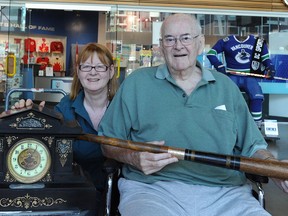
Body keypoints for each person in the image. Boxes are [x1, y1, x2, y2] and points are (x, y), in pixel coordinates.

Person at [98, 13, 288, 216]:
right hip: (152, 191)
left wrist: (273, 167)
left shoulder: (226, 87)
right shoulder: (137, 83)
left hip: (227, 196)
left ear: (200, 44)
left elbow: (253, 146)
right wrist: (133, 157)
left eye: (186, 37)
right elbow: (107, 142)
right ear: (161, 46)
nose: (178, 45)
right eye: (170, 39)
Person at [9, 43, 119, 208]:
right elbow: (45, 149)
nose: (93, 72)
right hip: (78, 194)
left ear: (111, 71)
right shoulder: (65, 107)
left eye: (100, 66)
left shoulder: (123, 106)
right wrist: (24, 117)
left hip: (119, 193)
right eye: (86, 66)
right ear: (78, 71)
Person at [206, 34, 276, 129]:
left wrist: (270, 67)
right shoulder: (226, 41)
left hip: (249, 76)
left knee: (257, 97)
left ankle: (256, 127)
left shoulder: (258, 42)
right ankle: (224, 125)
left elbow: (265, 59)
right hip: (232, 76)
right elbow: (211, 53)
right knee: (225, 98)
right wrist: (219, 65)